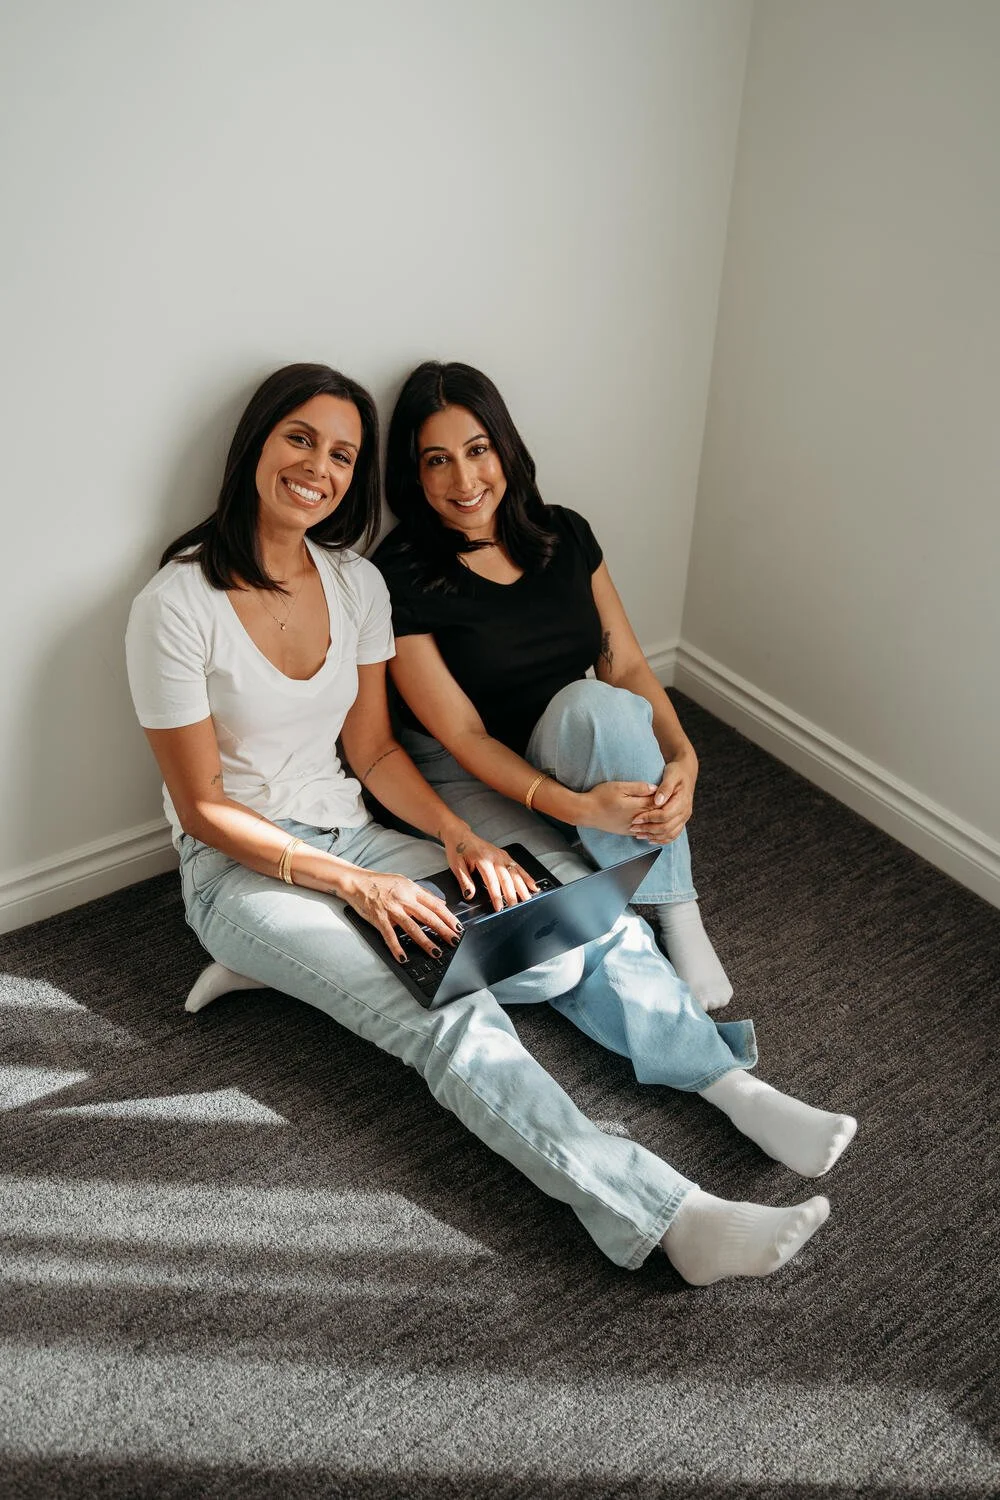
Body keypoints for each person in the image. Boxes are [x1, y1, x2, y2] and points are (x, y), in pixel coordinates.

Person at [126, 361, 855, 1287]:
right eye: (300, 439)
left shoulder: (351, 584)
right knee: (453, 1017)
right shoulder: (175, 604)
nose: (320, 467)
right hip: (239, 870)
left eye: (342, 453)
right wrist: (358, 886)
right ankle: (668, 1215)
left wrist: (460, 840)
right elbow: (203, 808)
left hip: (361, 836)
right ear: (256, 447)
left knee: (574, 917)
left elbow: (380, 755)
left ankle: (730, 1085)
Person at [373, 361, 732, 1014]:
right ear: (413, 473)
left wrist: (685, 756)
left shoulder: (563, 533)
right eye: (437, 461)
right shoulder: (399, 574)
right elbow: (462, 734)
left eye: (477, 450)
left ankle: (676, 911)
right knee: (564, 928)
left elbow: (623, 665)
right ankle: (651, 980)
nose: (464, 480)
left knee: (596, 705)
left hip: (568, 742)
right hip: (462, 774)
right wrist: (580, 811)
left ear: (504, 447)